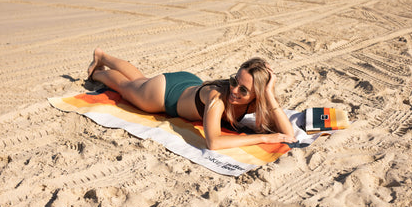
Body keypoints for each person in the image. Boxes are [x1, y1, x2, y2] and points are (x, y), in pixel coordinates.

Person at [87, 48, 297, 150]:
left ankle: (103, 58)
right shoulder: (218, 98)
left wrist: (269, 93)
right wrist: (264, 138)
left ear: (257, 95)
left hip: (190, 83)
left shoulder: (256, 101)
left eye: (243, 90)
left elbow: (288, 135)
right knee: (126, 87)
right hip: (164, 94)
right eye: (234, 81)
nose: (234, 90)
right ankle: (98, 70)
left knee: (139, 80)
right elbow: (213, 142)